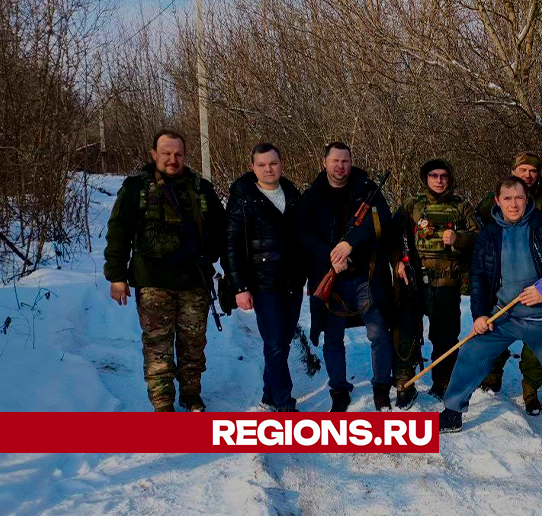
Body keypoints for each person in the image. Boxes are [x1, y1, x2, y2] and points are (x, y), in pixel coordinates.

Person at [437, 177, 542, 447]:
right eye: (507, 198)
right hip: (504, 315)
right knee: (471, 352)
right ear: (497, 200)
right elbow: (479, 277)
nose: (513, 204)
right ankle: (452, 412)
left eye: (518, 197)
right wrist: (480, 315)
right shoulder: (489, 234)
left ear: (527, 198)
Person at [104, 129, 225, 412]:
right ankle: (163, 403)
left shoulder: (200, 188)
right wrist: (117, 276)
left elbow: (220, 228)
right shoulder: (137, 188)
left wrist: (213, 257)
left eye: (178, 154)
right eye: (167, 153)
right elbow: (119, 232)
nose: (173, 159)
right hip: (152, 281)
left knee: (193, 343)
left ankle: (192, 395)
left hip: (194, 280)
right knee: (158, 346)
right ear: (154, 155)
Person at [296, 141, 394, 411]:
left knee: (379, 333)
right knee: (333, 339)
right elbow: (303, 235)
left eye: (346, 161)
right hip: (330, 276)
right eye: (336, 161)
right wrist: (332, 256)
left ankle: (382, 387)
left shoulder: (367, 190)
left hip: (365, 275)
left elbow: (382, 221)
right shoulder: (312, 196)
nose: (341, 166)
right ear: (324, 162)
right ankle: (339, 390)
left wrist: (350, 243)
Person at [475, 152, 542, 415]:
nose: (528, 174)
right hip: (502, 283)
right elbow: (482, 223)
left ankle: (531, 387)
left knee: (536, 342)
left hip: (540, 287)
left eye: (533, 170)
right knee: (494, 328)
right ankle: (492, 376)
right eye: (522, 169)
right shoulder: (496, 197)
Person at [224, 142, 305, 412]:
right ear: (252, 167)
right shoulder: (243, 198)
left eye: (273, 163)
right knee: (274, 343)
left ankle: (270, 396)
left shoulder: (292, 194)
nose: (268, 168)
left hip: (293, 282)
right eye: (262, 164)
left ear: (281, 164)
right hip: (263, 283)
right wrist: (240, 287)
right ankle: (285, 404)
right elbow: (232, 245)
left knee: (282, 342)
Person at [391, 159, 478, 405]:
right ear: (425, 178)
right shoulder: (412, 205)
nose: (439, 180)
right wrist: (398, 261)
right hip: (414, 280)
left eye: (443, 176)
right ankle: (404, 384)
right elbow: (391, 235)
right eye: (433, 176)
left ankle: (443, 381)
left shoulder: (461, 206)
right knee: (406, 332)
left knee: (445, 336)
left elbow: (479, 237)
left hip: (447, 283)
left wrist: (458, 238)